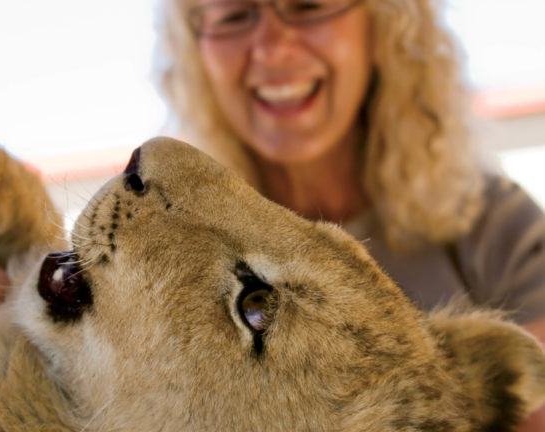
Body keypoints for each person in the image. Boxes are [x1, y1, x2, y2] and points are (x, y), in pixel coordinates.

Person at [151, 0, 545, 429]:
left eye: (308, 6)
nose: (271, 50)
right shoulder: (171, 245)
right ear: (195, 49)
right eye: (232, 15)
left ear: (385, 25)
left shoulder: (497, 225)